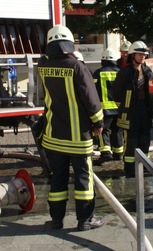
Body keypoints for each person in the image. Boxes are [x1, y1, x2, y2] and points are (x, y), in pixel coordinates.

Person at [37, 25, 105, 231]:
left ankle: (56, 220)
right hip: (78, 138)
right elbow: (91, 101)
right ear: (68, 44)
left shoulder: (43, 65)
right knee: (83, 179)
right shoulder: (77, 67)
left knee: (57, 178)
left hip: (53, 136)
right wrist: (98, 122)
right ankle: (85, 220)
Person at [112, 40, 153, 178]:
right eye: (140, 54)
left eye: (144, 54)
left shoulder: (147, 71)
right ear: (132, 55)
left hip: (144, 110)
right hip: (130, 112)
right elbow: (116, 93)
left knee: (145, 139)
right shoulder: (125, 72)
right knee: (131, 141)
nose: (143, 57)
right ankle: (130, 169)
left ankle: (144, 167)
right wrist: (124, 107)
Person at [92, 48, 123, 163]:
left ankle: (105, 153)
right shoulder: (121, 71)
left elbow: (93, 90)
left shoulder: (98, 73)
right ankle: (118, 153)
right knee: (117, 130)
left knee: (103, 130)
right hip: (119, 108)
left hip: (105, 108)